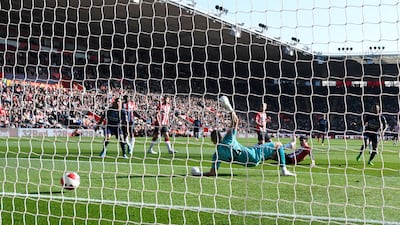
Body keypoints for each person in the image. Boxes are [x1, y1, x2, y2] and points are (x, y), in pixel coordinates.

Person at [194, 110, 295, 177]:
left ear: (212, 141)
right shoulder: (228, 139)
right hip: (253, 154)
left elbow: (213, 173)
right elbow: (236, 121)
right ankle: (284, 169)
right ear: (221, 135)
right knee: (278, 144)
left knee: (271, 152)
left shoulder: (216, 155)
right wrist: (230, 109)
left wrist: (199, 174)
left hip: (248, 164)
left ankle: (285, 151)